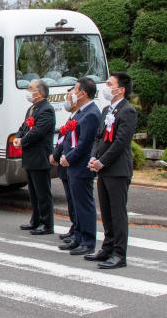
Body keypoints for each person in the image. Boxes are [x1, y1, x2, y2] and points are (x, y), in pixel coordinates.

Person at [85, 72, 137, 269]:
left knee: (117, 213)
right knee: (106, 212)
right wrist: (93, 156)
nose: (106, 87)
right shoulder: (107, 109)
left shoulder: (128, 111)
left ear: (121, 89)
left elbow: (120, 142)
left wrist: (102, 161)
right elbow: (99, 137)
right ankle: (107, 247)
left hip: (118, 169)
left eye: (109, 84)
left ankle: (119, 254)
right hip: (104, 169)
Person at [57, 78, 101, 256]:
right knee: (76, 203)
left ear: (83, 93)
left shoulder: (91, 113)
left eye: (75, 90)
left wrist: (69, 158)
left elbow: (85, 144)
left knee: (84, 205)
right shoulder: (82, 112)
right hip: (73, 165)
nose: (72, 93)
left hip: (81, 166)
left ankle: (88, 241)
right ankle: (78, 237)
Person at [14, 79, 56, 235]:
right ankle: (35, 220)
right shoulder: (32, 108)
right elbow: (24, 126)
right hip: (30, 156)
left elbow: (37, 132)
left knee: (43, 193)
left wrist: (22, 141)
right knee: (33, 192)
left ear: (39, 92)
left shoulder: (47, 110)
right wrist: (17, 137)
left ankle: (47, 224)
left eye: (30, 88)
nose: (28, 90)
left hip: (40, 156)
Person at [50, 87, 77, 243]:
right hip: (64, 164)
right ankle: (74, 227)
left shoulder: (82, 115)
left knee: (75, 200)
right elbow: (63, 139)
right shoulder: (71, 116)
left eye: (69, 96)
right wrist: (56, 154)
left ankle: (78, 229)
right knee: (70, 200)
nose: (67, 99)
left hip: (72, 164)